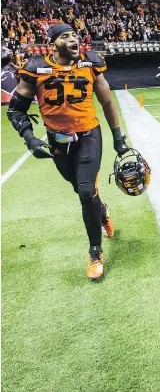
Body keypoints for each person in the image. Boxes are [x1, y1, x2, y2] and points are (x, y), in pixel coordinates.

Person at [7, 23, 130, 281]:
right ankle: (103, 212)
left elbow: (107, 101)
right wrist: (30, 139)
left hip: (88, 135)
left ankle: (95, 251)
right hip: (58, 141)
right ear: (53, 45)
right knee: (83, 191)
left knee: (86, 190)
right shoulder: (36, 68)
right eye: (65, 36)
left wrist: (118, 138)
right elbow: (15, 109)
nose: (74, 38)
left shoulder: (91, 64)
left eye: (75, 35)